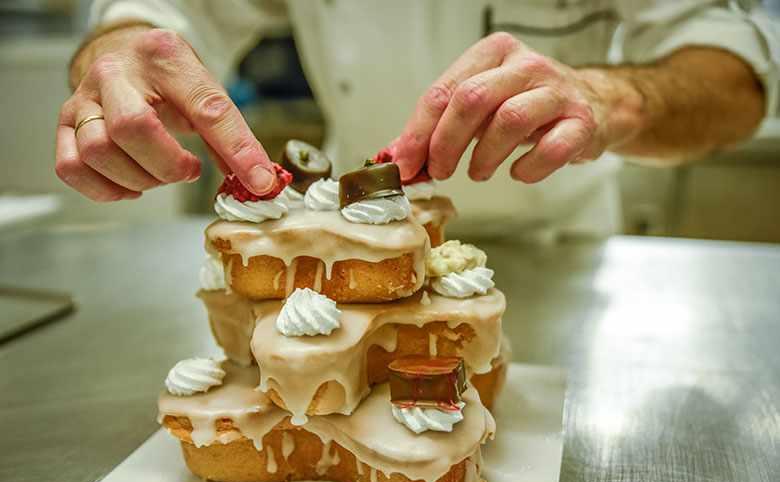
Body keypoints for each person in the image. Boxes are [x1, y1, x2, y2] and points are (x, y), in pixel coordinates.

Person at [57, 1, 778, 237]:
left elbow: (734, 76)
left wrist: (612, 95)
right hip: (346, 242)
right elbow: (163, 11)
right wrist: (118, 50)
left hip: (556, 238)